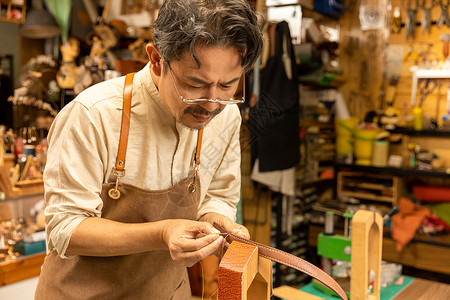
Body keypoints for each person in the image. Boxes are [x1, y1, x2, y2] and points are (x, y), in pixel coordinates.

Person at [35, 0, 263, 299]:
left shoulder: (225, 115)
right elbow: (64, 229)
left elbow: (218, 196)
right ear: (156, 60)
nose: (211, 104)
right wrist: (161, 233)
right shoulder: (94, 114)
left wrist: (216, 221)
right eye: (195, 84)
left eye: (228, 85)